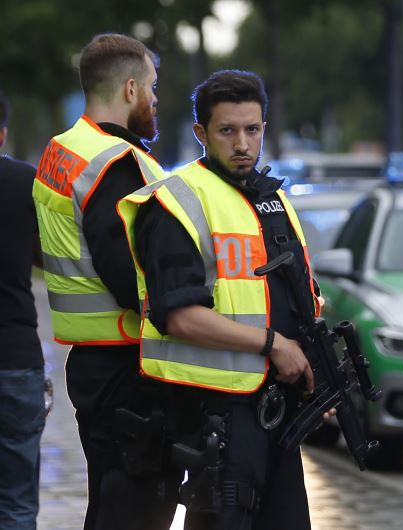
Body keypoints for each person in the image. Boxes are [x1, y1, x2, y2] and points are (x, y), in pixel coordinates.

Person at [118, 69, 327, 530]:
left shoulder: (271, 198)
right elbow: (179, 317)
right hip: (216, 414)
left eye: (252, 130)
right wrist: (274, 344)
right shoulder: (176, 201)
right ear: (201, 133)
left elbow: (293, 297)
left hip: (275, 407)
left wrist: (314, 369)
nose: (242, 144)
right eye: (227, 131)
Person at [32, 34, 177, 530]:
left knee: (109, 501)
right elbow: (128, 274)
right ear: (131, 89)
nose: (157, 100)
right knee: (133, 510)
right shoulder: (116, 166)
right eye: (153, 88)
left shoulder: (63, 150)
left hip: (93, 362)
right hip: (127, 365)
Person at [0, 91, 47, 530]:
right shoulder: (25, 183)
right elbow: (48, 258)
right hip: (14, 360)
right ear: (3, 132)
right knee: (15, 503)